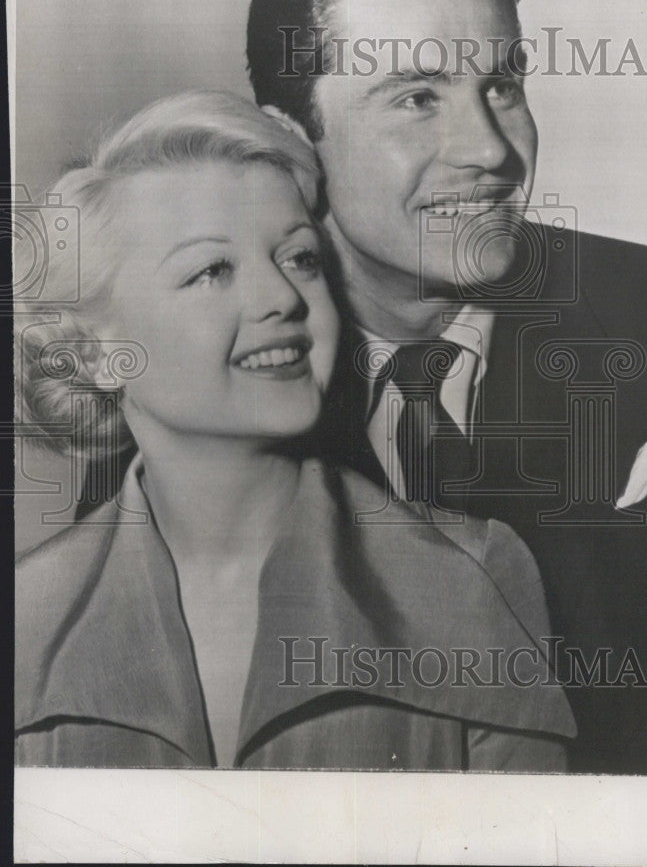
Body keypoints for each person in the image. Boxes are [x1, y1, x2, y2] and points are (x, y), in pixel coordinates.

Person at [246, 0, 647, 775]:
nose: (490, 149)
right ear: (295, 148)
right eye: (415, 98)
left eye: (501, 85)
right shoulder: (228, 363)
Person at [14, 90, 575, 770]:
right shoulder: (27, 616)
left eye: (299, 258)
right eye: (210, 270)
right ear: (95, 353)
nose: (282, 298)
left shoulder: (471, 571)